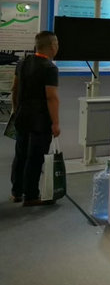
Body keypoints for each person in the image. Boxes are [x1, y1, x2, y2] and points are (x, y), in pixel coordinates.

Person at [10, 31, 61, 206]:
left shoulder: (22, 63)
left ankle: (16, 192)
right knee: (35, 157)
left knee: (21, 154)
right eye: (57, 44)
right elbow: (51, 97)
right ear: (52, 46)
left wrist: (16, 110)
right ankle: (31, 196)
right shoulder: (50, 68)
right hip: (40, 120)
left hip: (22, 116)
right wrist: (55, 123)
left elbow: (15, 89)